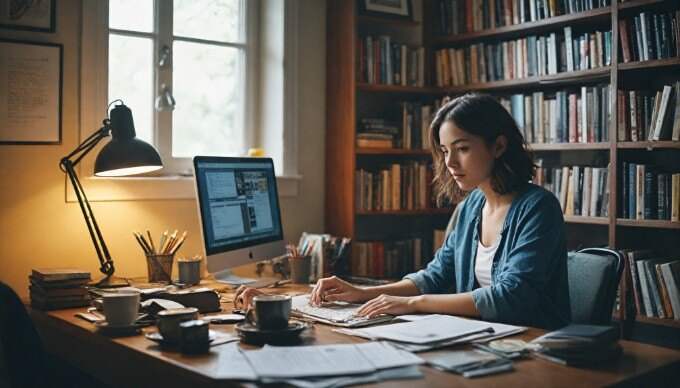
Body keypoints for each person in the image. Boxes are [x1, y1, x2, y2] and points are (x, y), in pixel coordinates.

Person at [233, 93, 571, 330]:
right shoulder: (472, 207)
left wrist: (413, 304)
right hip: (485, 342)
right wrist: (362, 292)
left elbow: (512, 298)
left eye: (463, 149)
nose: (450, 163)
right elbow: (437, 276)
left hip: (533, 344)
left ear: (498, 146)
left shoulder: (538, 208)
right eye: (444, 151)